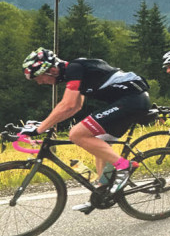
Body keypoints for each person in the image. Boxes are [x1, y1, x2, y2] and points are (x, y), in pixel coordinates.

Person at [21, 48, 150, 214]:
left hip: (132, 100)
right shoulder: (74, 73)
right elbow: (75, 107)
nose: (40, 82)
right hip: (130, 101)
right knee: (98, 142)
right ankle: (102, 192)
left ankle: (124, 166)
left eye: (39, 78)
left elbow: (66, 105)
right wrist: (46, 124)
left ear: (52, 70)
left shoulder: (75, 68)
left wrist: (40, 128)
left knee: (76, 134)